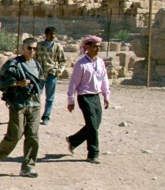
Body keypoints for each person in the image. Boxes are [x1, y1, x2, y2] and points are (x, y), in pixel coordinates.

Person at [0, 38, 44, 177]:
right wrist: (17, 83)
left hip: (34, 104)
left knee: (33, 135)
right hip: (18, 104)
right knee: (16, 134)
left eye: (34, 48)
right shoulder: (13, 64)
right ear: (22, 48)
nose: (32, 51)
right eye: (29, 48)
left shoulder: (37, 64)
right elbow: (3, 83)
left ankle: (28, 167)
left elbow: (41, 81)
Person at [66, 35, 110, 164]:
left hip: (96, 96)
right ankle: (93, 153)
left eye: (98, 47)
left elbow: (104, 79)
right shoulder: (81, 64)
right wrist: (71, 100)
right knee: (91, 125)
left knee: (95, 124)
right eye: (95, 46)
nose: (97, 49)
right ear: (88, 47)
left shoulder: (100, 62)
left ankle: (74, 140)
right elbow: (73, 83)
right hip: (84, 97)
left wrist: (106, 95)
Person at [37, 26, 67, 125]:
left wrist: (58, 70)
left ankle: (46, 116)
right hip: (40, 74)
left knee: (50, 97)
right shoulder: (39, 45)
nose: (53, 36)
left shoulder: (58, 47)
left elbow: (62, 61)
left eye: (54, 34)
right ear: (45, 35)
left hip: (51, 74)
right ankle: (34, 115)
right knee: (36, 95)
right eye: (50, 34)